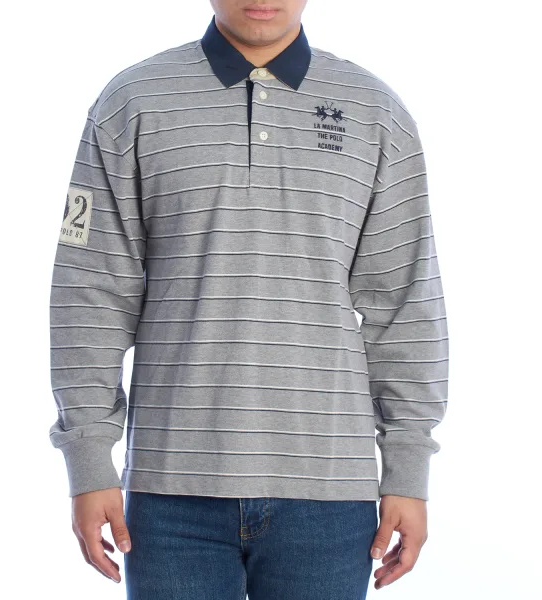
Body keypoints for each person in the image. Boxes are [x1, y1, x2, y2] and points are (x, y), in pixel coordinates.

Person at [48, 1, 449, 597]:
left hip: (330, 493)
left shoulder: (376, 112)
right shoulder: (131, 103)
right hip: (170, 492)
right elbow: (91, 291)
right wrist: (87, 460)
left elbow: (405, 305)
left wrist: (408, 472)